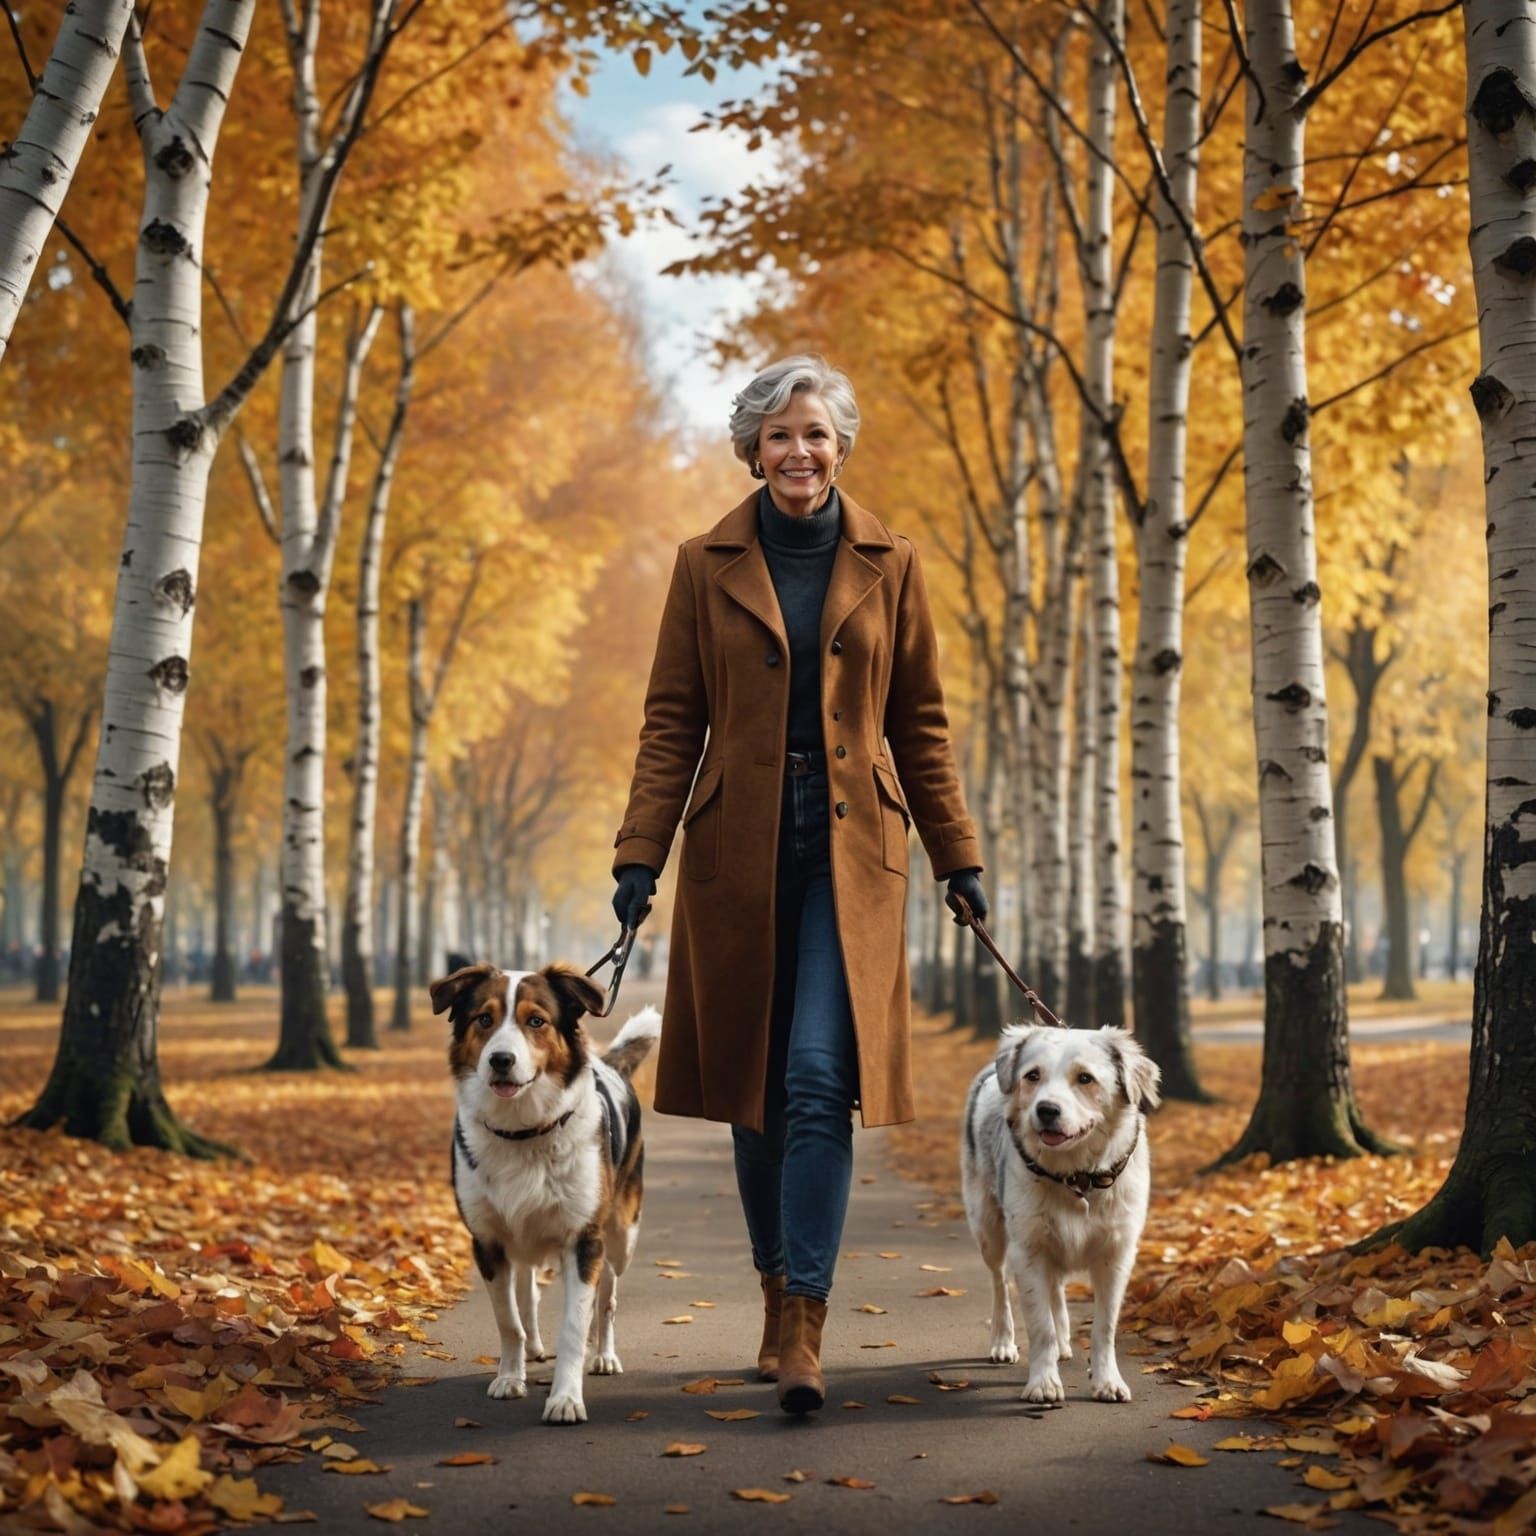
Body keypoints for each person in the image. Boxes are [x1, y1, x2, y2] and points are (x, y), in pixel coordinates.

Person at [611, 355, 986, 1415]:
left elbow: (920, 723)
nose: (798, 453)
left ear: (841, 444)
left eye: (815, 433)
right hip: (737, 846)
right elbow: (671, 719)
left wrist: (959, 858)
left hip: (853, 853)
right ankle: (775, 1298)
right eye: (778, 436)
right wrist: (639, 853)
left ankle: (806, 1320)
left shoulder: (892, 562)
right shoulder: (703, 564)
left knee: (821, 1075)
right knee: (753, 1088)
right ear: (752, 450)